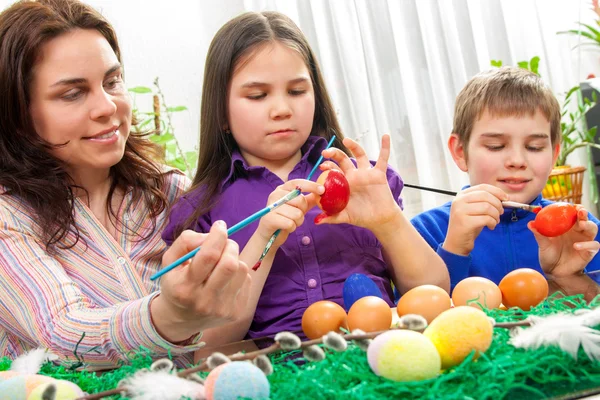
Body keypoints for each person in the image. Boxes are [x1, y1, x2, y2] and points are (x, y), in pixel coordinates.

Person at [162, 11, 450, 349]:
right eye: (258, 96)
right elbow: (208, 345)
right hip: (277, 375)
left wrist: (389, 222)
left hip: (382, 357)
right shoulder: (201, 210)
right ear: (222, 114)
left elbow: (435, 293)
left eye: (297, 90)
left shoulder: (362, 179)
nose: (282, 108)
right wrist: (265, 239)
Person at [0, 0, 251, 370]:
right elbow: (63, 332)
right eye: (72, 93)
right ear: (16, 112)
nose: (107, 107)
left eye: (112, 81)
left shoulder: (171, 192)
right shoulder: (10, 216)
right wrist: (170, 314)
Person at [411, 67, 600, 291]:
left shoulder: (580, 231)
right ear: (461, 151)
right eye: (496, 146)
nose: (517, 160)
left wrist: (569, 276)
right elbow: (411, 319)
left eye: (534, 147)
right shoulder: (423, 233)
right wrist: (454, 250)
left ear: (554, 155)